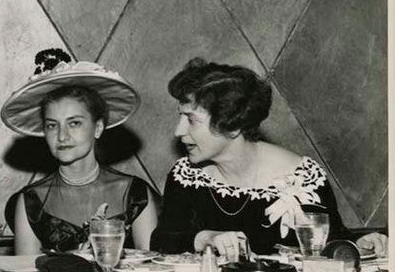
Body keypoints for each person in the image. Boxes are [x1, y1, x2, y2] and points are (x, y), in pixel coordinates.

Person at [150, 58, 388, 261]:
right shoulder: (186, 176)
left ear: (232, 126)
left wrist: (362, 242)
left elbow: (331, 240)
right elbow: (162, 240)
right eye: (181, 117)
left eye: (191, 120)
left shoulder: (302, 178)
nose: (178, 131)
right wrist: (204, 238)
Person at [2, 49, 158, 255]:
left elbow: (151, 270)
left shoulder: (135, 193)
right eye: (52, 125)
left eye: (74, 123)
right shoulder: (31, 201)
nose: (62, 136)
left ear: (98, 128)